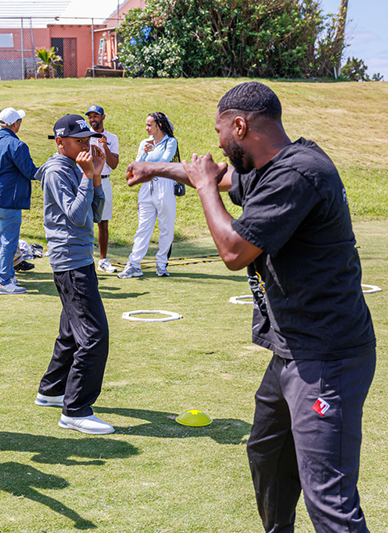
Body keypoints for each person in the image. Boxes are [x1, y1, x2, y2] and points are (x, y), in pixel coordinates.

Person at [126, 81, 376, 533]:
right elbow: (215, 174)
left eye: (221, 132)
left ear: (240, 126)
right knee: (267, 454)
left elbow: (234, 251)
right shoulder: (270, 166)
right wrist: (153, 168)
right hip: (292, 351)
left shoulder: (297, 174)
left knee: (329, 499)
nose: (220, 144)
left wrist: (205, 187)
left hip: (327, 356)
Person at [34, 114, 113, 435]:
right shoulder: (57, 171)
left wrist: (96, 178)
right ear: (59, 142)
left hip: (78, 258)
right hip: (71, 262)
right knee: (94, 336)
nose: (85, 146)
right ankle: (76, 409)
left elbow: (95, 214)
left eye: (87, 140)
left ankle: (52, 390)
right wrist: (87, 176)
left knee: (70, 333)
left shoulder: (76, 168)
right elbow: (77, 216)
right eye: (79, 141)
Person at [0, 107, 38, 295]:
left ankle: (8, 276)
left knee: (6, 239)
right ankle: (4, 281)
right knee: (9, 241)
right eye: (20, 121)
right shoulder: (17, 145)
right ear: (15, 124)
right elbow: (30, 172)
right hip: (7, 200)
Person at [118, 112, 179, 279]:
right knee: (143, 227)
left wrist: (147, 165)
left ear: (159, 125)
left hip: (165, 185)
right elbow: (136, 166)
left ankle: (161, 264)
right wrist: (144, 154)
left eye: (149, 125)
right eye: (146, 125)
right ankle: (134, 264)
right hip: (146, 186)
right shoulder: (144, 143)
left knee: (166, 227)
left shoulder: (170, 142)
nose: (146, 128)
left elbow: (163, 163)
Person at [85, 104, 120, 273]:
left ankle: (103, 260)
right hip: (86, 180)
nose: (92, 119)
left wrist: (105, 146)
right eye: (90, 116)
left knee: (103, 221)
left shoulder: (112, 138)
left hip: (104, 180)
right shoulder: (83, 136)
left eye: (95, 116)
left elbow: (114, 165)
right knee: (83, 219)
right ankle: (84, 258)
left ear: (103, 117)